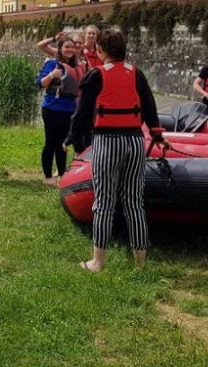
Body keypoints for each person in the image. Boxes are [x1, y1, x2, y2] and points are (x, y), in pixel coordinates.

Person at [68, 29, 163, 272]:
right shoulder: (136, 73)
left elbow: (82, 113)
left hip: (107, 141)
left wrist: (71, 138)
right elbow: (150, 106)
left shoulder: (95, 76)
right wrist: (156, 132)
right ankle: (140, 264)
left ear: (101, 50)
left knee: (104, 203)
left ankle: (98, 262)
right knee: (134, 203)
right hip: (133, 142)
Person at [36, 35, 85, 185]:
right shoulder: (53, 64)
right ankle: (48, 176)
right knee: (51, 142)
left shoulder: (77, 66)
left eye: (72, 47)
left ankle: (62, 176)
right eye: (66, 47)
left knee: (63, 144)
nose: (70, 50)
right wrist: (52, 75)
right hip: (52, 109)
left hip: (69, 109)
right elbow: (40, 84)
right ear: (60, 49)